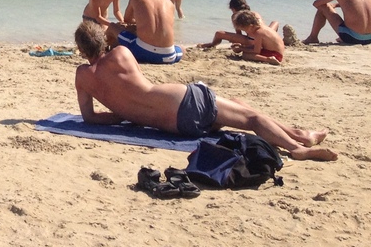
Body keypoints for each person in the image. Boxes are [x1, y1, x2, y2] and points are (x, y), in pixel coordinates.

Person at [73, 21, 335, 161]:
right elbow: (139, 84)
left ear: (81, 48)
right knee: (251, 118)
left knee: (237, 104)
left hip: (178, 126)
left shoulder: (82, 76)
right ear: (102, 39)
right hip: (186, 103)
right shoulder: (120, 53)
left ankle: (300, 134)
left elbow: (90, 118)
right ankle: (295, 147)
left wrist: (121, 115)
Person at [107, 0, 182, 64]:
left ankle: (106, 51)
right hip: (168, 56)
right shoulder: (169, 3)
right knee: (180, 49)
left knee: (112, 27)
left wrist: (140, 22)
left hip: (142, 52)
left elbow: (127, 20)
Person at [199, 0, 279, 50]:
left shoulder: (236, 16)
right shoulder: (254, 13)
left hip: (252, 40)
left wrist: (236, 42)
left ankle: (212, 45)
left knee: (218, 34)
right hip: (264, 37)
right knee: (275, 22)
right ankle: (272, 41)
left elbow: (239, 34)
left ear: (233, 8)